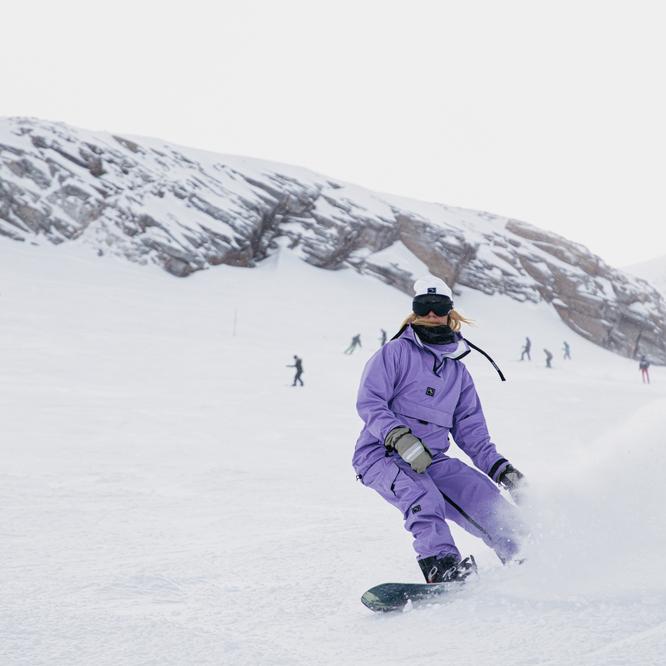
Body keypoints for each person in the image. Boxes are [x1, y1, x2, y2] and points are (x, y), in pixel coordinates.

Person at [352, 276, 528, 584]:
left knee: (481, 495)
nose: (431, 314)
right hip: (381, 455)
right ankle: (441, 566)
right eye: (423, 306)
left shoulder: (458, 372)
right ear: (415, 310)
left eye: (439, 307)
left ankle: (524, 554)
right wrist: (400, 438)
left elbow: (472, 434)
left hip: (431, 459)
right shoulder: (395, 353)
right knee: (422, 495)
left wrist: (502, 471)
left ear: (450, 311)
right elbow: (370, 402)